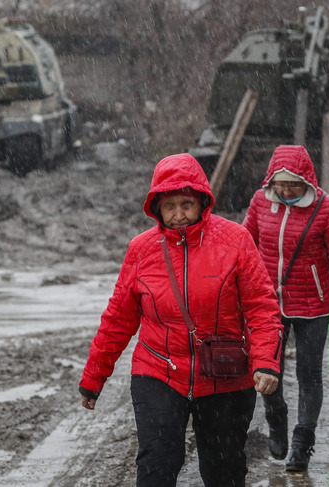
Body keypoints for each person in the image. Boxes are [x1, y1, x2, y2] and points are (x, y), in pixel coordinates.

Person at [78, 152, 283, 487]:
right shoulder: (141, 249)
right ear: (156, 207)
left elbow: (262, 306)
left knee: (224, 473)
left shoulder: (235, 241)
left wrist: (265, 362)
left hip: (223, 375)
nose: (178, 215)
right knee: (156, 466)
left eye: (186, 204)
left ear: (202, 202)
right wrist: (93, 376)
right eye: (169, 206)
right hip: (158, 370)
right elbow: (118, 317)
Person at [241, 145, 329, 472]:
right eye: (281, 183)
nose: (286, 190)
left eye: (293, 184)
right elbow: (243, 244)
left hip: (313, 304)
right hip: (267, 303)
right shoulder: (261, 202)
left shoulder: (327, 209)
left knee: (308, 373)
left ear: (307, 180)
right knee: (266, 369)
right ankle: (277, 418)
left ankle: (303, 442)